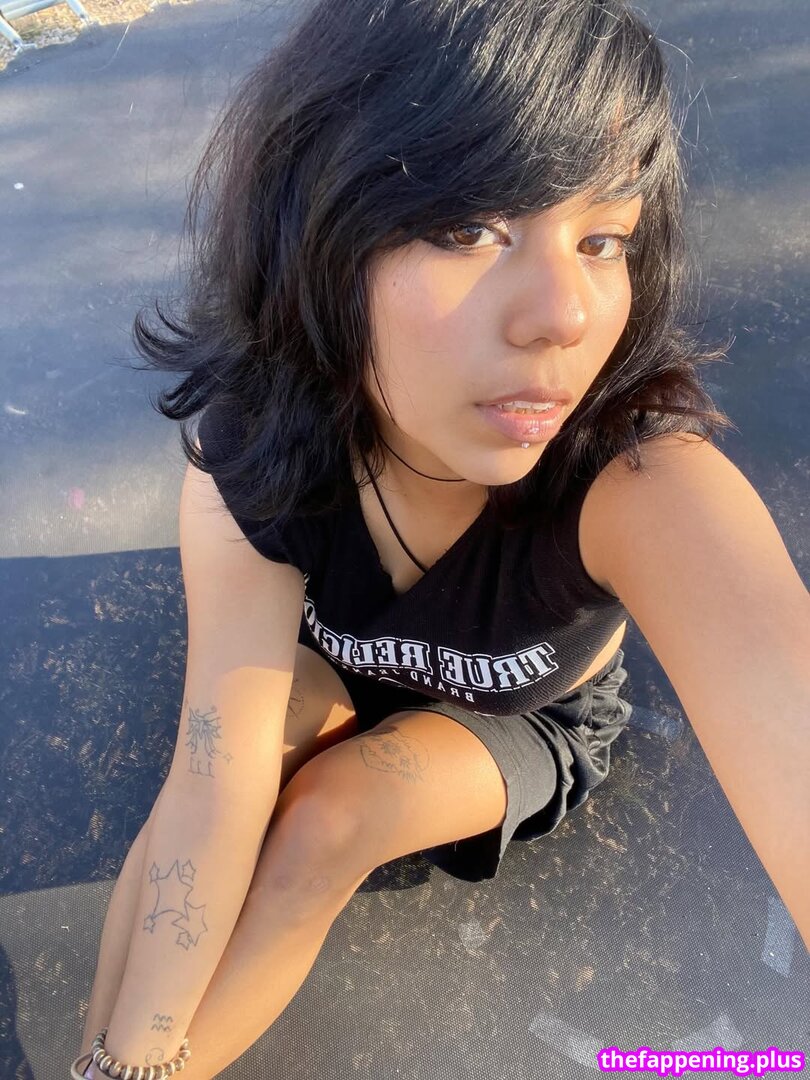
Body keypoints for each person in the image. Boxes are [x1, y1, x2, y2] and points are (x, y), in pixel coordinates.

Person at [71, 0, 810, 1076]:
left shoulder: (646, 487)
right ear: (319, 230)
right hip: (331, 666)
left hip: (515, 714)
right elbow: (208, 784)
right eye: (470, 229)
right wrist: (118, 1059)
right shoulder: (258, 450)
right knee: (243, 755)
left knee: (329, 819)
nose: (564, 315)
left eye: (602, 240)